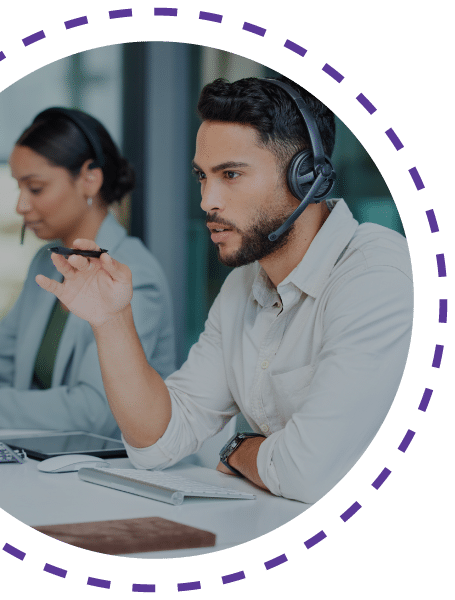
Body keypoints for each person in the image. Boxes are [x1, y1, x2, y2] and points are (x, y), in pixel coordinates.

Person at [35, 78, 414, 504]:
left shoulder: (375, 276)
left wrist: (237, 449)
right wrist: (111, 320)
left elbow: (310, 473)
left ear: (306, 176)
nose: (207, 201)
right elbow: (157, 442)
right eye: (202, 176)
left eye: (231, 174)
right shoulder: (244, 286)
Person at [0, 107, 176, 438]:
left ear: (89, 179)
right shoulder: (44, 262)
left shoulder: (132, 275)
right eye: (18, 187)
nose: (20, 206)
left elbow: (95, 412)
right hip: (45, 459)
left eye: (35, 188)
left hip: (107, 468)